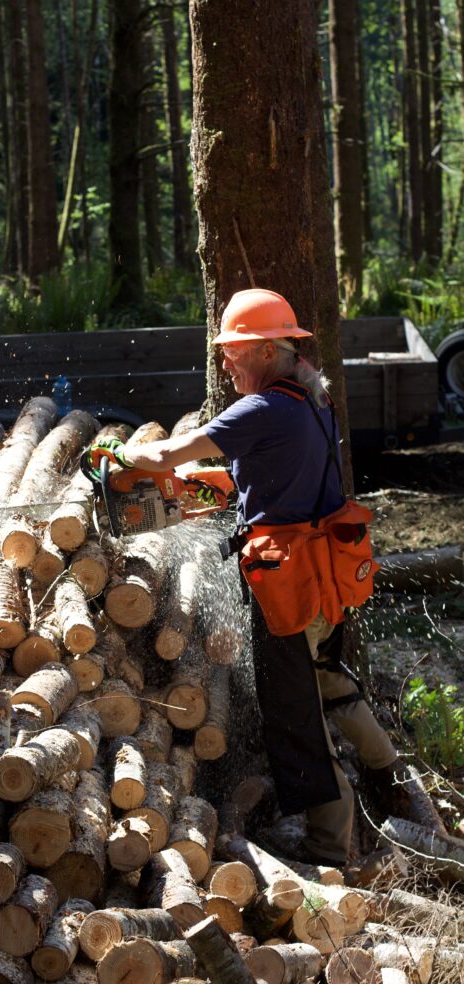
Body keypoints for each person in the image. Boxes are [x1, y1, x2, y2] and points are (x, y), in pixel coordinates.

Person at [88, 287, 403, 866]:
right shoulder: (309, 400)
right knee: (331, 682)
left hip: (292, 585)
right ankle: (394, 786)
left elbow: (170, 453)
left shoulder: (262, 408)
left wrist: (121, 455)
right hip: (328, 574)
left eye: (233, 350)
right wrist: (202, 491)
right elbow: (280, 478)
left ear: (262, 350)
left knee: (297, 713)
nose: (225, 361)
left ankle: (330, 848)